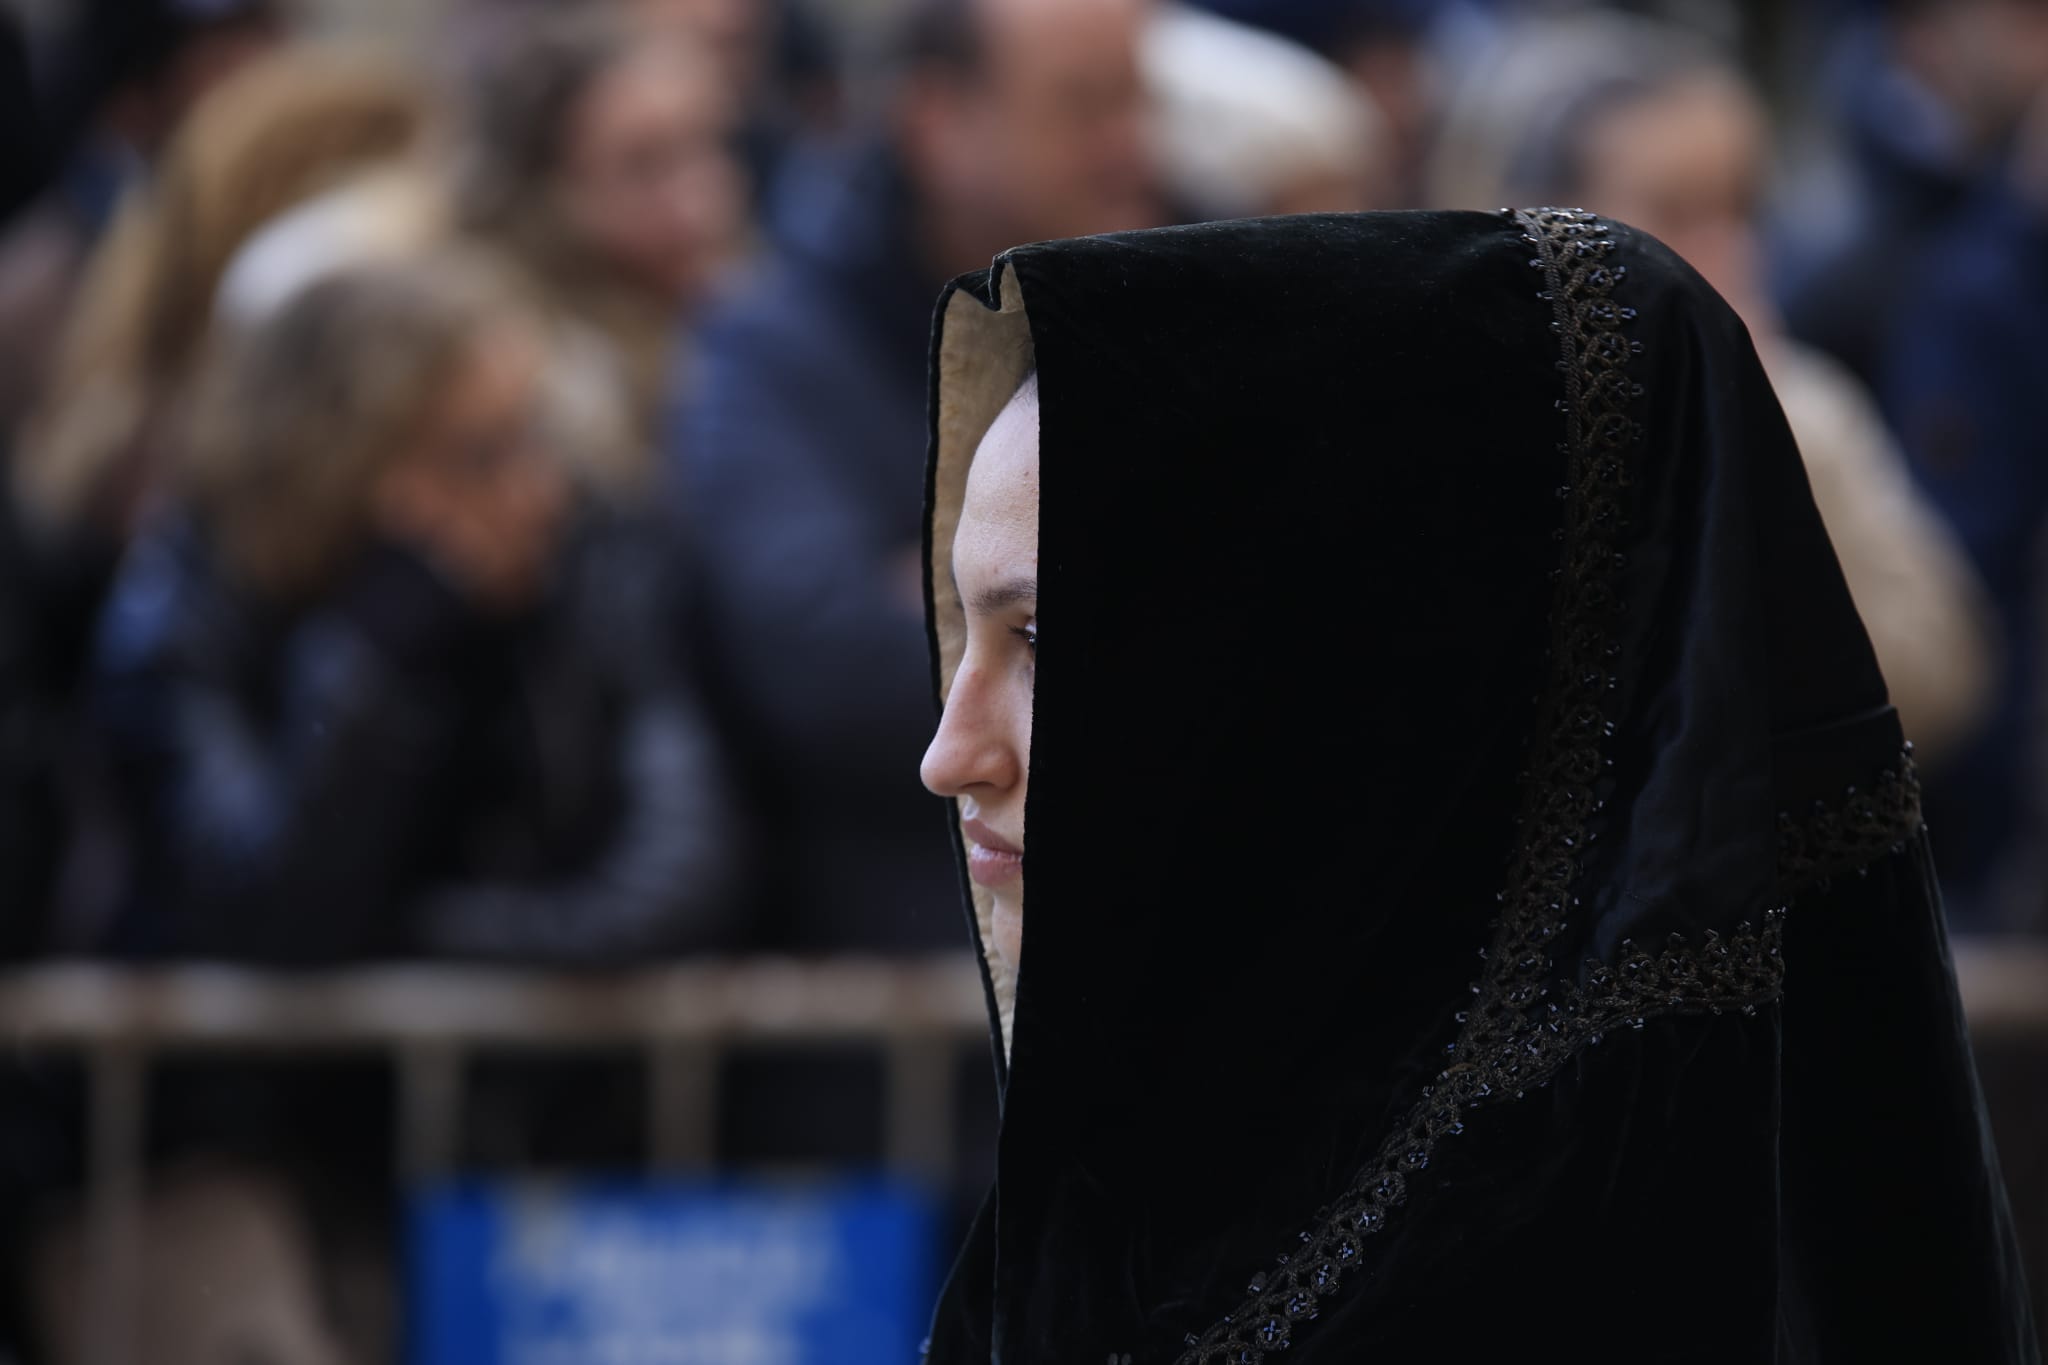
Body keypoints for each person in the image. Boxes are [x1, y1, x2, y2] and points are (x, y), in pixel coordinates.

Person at [917, 210, 2037, 1360]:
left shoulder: (1564, 1275)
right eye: (968, 635)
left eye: (1047, 636)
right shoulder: (1139, 1209)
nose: (948, 753)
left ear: (1320, 688)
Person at [671, 0, 1160, 955]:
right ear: (938, 118)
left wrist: (942, 579)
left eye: (1139, 96)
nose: (1129, 142)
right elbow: (829, 666)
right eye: (1082, 105)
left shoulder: (1189, 290)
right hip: (885, 992)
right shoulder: (776, 345)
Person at [91, 251, 736, 961]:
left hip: (529, 1067)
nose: (543, 492)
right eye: (485, 456)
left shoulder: (581, 565)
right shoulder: (191, 608)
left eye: (535, 435)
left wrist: (406, 948)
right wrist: (373, 658)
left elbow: (677, 882)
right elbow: (272, 911)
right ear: (351, 473)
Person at [1427, 14, 1995, 776]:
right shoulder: (1462, 427)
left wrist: (1757, 447)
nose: (1728, 251)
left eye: (1740, 208)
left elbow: (1946, 672)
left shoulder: (1808, 409)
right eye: (1677, 210)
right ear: (1541, 221)